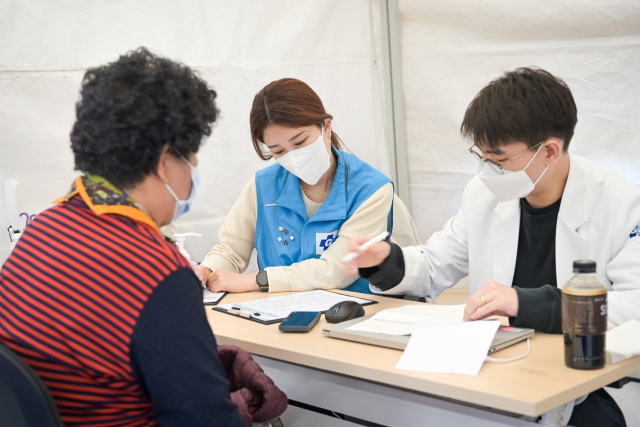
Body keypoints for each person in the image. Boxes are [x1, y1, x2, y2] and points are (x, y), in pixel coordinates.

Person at [0, 48, 286, 427]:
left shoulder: (44, 230)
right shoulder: (155, 269)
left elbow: (96, 353)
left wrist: (205, 366)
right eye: (192, 157)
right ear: (166, 162)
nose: (195, 169)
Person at [345, 68, 636, 426]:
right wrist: (387, 261)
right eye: (481, 157)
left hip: (570, 379)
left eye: (498, 160)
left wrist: (526, 302)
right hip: (491, 371)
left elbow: (633, 307)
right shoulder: (485, 194)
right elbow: (436, 264)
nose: (487, 171)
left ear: (549, 151)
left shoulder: (620, 204)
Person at [198, 78, 419, 295]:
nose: (293, 157)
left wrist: (258, 280)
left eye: (300, 142)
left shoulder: (371, 190)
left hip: (356, 316)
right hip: (278, 317)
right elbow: (231, 251)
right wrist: (207, 270)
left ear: (326, 127)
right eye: (279, 151)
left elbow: (337, 270)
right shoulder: (262, 186)